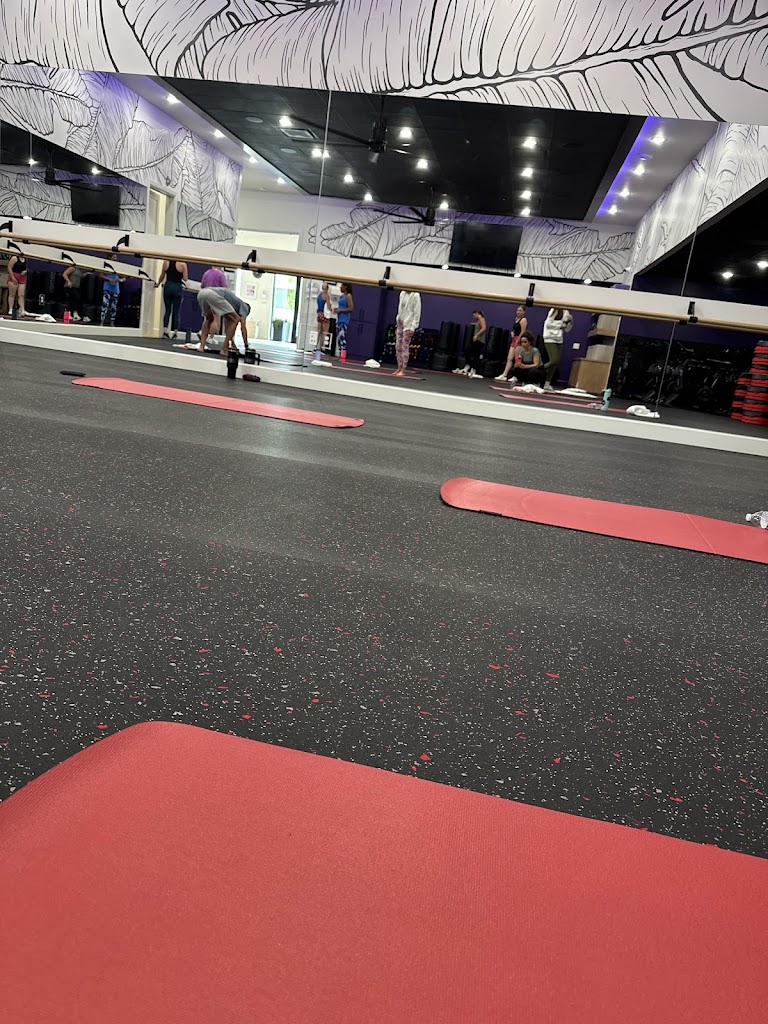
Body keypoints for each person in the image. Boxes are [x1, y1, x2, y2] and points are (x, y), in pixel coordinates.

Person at [197, 287, 251, 355]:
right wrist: (246, 345)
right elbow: (243, 327)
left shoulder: (231, 306)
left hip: (202, 293)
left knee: (209, 319)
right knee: (236, 319)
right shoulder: (245, 306)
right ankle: (224, 350)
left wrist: (233, 344)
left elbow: (228, 330)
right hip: (214, 294)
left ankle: (201, 347)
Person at [155, 259, 188, 339]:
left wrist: (158, 284)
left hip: (168, 286)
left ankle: (165, 332)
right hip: (177, 288)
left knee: (167, 310)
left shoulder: (165, 262)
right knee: (176, 312)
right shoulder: (183, 264)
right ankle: (175, 333)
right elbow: (185, 278)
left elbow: (162, 275)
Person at [495, 304, 528, 381]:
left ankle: (516, 376)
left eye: (520, 310)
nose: (518, 312)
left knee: (517, 359)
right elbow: (515, 329)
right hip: (514, 339)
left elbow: (523, 331)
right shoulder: (516, 319)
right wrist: (512, 333)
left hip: (519, 340)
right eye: (517, 310)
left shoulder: (523, 320)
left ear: (524, 312)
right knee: (509, 358)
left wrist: (518, 340)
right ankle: (504, 374)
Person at [542, 307, 572, 387]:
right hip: (549, 337)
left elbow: (567, 329)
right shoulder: (554, 310)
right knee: (554, 360)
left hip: (559, 339)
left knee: (555, 363)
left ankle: (547, 383)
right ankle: (539, 369)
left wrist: (570, 321)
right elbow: (548, 324)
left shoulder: (566, 312)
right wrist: (561, 324)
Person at [394, 290, 421, 376]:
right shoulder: (402, 293)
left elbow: (417, 313)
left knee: (404, 346)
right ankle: (399, 367)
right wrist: (398, 322)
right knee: (398, 346)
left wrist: (413, 327)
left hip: (408, 324)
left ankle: (403, 369)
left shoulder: (415, 295)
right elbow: (400, 309)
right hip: (400, 323)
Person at [453, 309, 487, 378]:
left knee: (468, 351)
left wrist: (476, 335)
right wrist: (474, 324)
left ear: (477, 313)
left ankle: (469, 366)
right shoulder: (479, 321)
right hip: (478, 341)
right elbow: (479, 326)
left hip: (479, 340)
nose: (473, 317)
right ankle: (472, 369)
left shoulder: (482, 319)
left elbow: (484, 328)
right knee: (475, 355)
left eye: (474, 315)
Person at [333, 282, 353, 358]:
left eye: (342, 286)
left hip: (344, 319)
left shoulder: (348, 296)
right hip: (339, 319)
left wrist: (340, 310)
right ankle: (340, 354)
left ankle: (343, 355)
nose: (340, 287)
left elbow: (351, 308)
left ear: (346, 287)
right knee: (339, 338)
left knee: (342, 337)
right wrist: (337, 309)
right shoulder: (342, 296)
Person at [7, 252, 28, 317]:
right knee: (12, 294)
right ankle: (10, 309)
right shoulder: (14, 258)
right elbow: (9, 268)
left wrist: (26, 271)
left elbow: (28, 268)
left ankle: (22, 309)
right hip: (14, 275)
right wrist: (13, 278)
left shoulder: (27, 258)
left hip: (22, 277)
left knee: (21, 294)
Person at [315, 282, 331, 359]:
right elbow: (329, 306)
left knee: (319, 331)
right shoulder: (326, 295)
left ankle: (315, 346)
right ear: (327, 288)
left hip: (319, 313)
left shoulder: (319, 295)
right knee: (325, 332)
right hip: (324, 315)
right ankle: (323, 348)